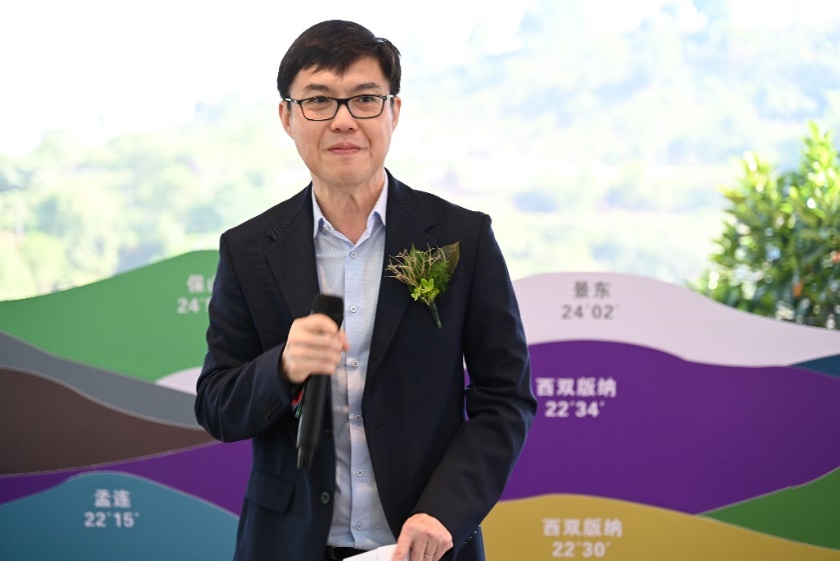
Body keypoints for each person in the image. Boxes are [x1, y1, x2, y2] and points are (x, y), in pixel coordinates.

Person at [194, 20, 536, 561]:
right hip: (289, 545)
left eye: (365, 99)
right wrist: (282, 367)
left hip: (421, 545)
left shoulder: (461, 238)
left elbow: (505, 397)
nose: (343, 120)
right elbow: (217, 406)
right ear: (286, 117)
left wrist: (445, 510)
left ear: (394, 111)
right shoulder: (249, 249)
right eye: (318, 101)